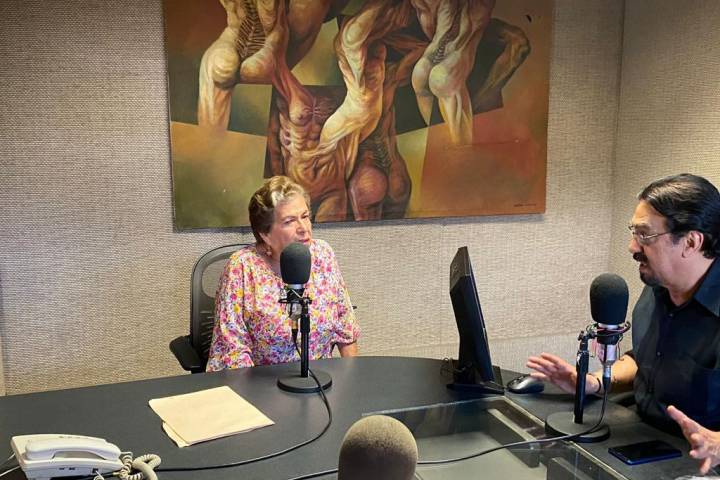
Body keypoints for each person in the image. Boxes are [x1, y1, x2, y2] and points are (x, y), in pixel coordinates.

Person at [527, 174, 720, 440]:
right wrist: (593, 382)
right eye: (634, 232)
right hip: (638, 431)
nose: (632, 247)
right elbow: (644, 360)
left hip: (693, 453)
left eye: (645, 235)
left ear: (690, 242)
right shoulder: (657, 287)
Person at [206, 175, 359, 371]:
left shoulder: (323, 254)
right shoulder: (241, 267)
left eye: (305, 216)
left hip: (319, 379)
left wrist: (352, 378)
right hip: (262, 382)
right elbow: (232, 351)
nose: (303, 228)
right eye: (289, 221)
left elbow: (346, 327)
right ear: (265, 234)